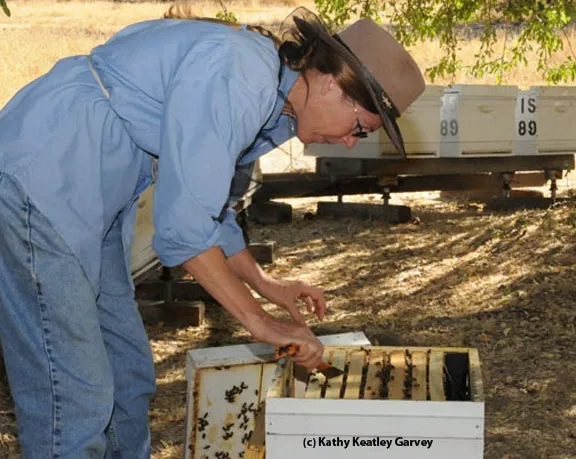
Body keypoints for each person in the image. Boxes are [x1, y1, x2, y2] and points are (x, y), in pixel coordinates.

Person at [0, 4, 425, 458]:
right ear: (330, 81)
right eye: (358, 127)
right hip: (45, 175)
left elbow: (211, 208)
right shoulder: (238, 74)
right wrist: (259, 322)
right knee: (76, 397)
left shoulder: (279, 107)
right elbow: (182, 231)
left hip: (96, 200)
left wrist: (265, 285)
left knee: (129, 378)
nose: (348, 142)